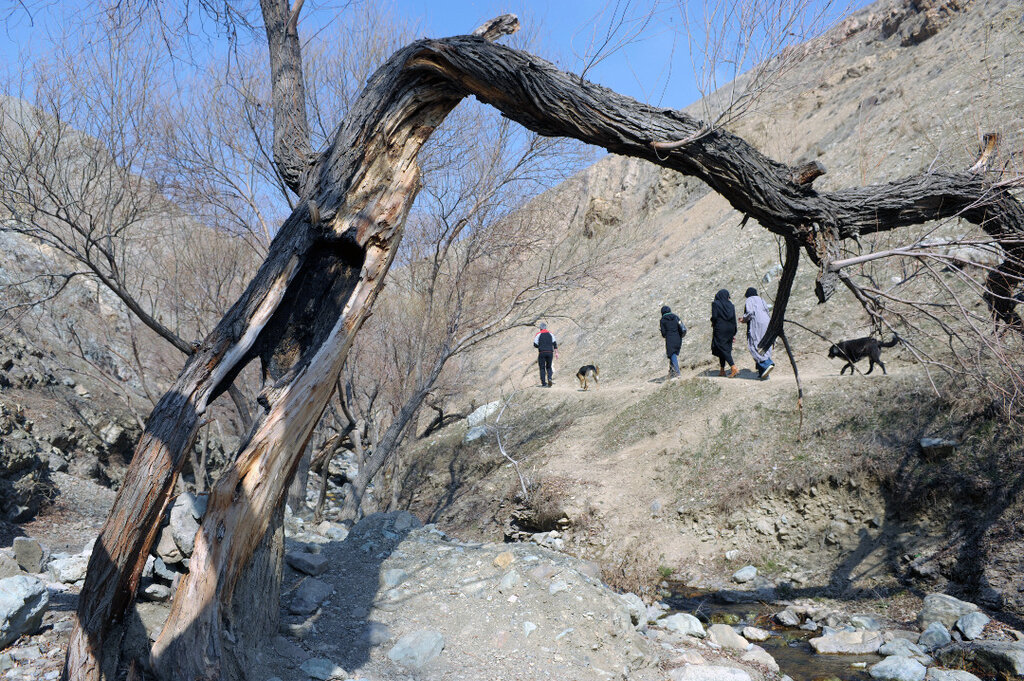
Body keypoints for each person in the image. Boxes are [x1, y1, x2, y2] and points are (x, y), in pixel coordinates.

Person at [739, 287, 775, 379]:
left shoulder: (749, 300)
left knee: (754, 345)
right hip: (767, 323)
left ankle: (767, 363)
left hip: (756, 324)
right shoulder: (762, 299)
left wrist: (744, 319)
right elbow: (767, 311)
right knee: (764, 344)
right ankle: (763, 373)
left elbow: (750, 312)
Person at [710, 289, 738, 377]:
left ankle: (733, 367)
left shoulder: (715, 304)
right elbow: (734, 318)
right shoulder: (731, 305)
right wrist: (734, 331)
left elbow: (714, 316)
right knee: (726, 348)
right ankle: (722, 370)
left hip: (720, 328)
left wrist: (712, 322)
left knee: (721, 347)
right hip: (730, 328)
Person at [659, 305, 686, 379]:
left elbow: (664, 333)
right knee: (672, 354)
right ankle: (671, 373)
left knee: (672, 354)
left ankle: (677, 373)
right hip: (678, 338)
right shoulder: (675, 317)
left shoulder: (663, 320)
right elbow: (681, 327)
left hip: (670, 339)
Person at [533, 322, 558, 387]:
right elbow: (555, 344)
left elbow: (535, 344)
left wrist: (541, 345)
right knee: (549, 367)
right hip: (550, 352)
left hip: (542, 352)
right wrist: (556, 353)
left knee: (542, 367)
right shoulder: (551, 334)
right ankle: (549, 378)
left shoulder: (538, 334)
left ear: (540, 328)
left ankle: (544, 383)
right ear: (546, 328)